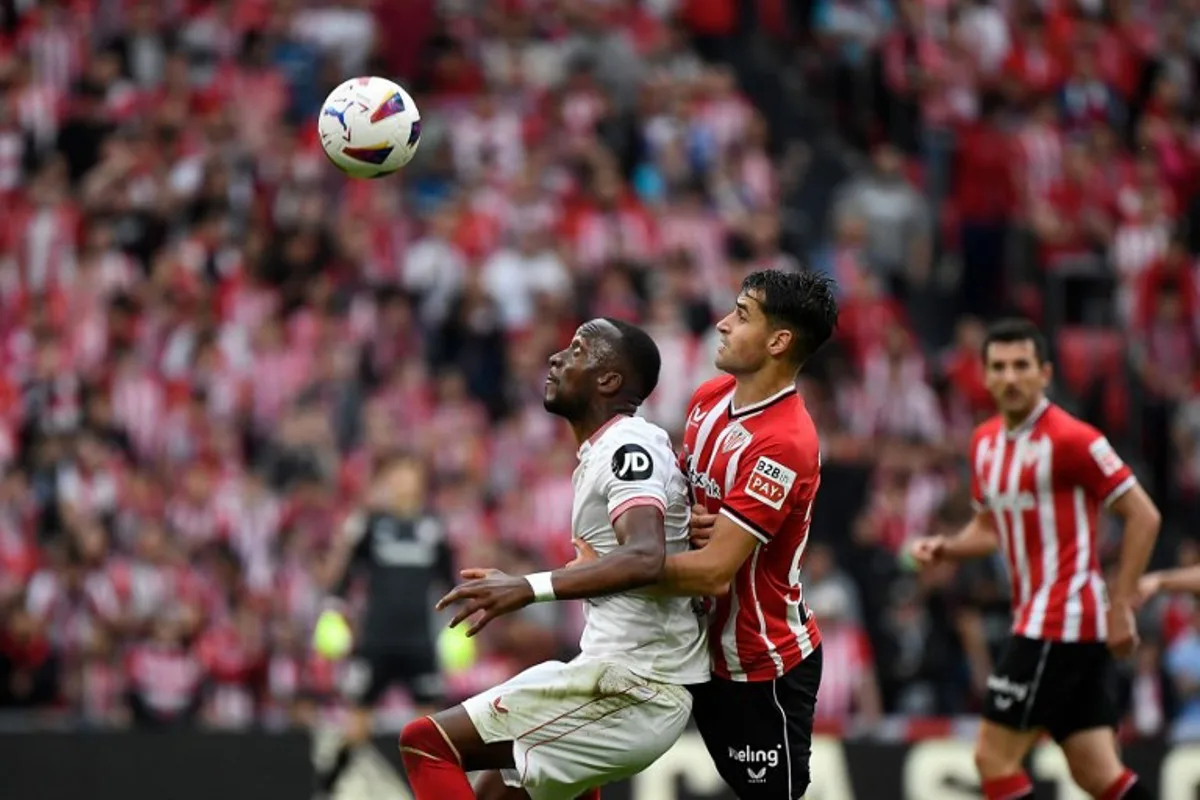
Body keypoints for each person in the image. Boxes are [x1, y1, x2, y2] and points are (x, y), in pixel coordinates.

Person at [399, 318, 708, 800]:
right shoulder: (601, 453)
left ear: (609, 380)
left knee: (426, 743)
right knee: (498, 794)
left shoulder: (628, 444)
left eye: (578, 350)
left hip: (635, 687)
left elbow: (646, 555)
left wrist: (529, 587)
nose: (556, 357)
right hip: (611, 675)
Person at [908, 318, 1162, 800]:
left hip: (1060, 620)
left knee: (992, 759)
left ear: (1044, 373)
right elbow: (989, 527)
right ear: (983, 376)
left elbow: (1144, 516)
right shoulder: (983, 443)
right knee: (1097, 774)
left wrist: (1122, 604)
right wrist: (947, 547)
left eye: (1021, 365)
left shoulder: (1072, 440)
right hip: (1050, 622)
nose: (1010, 377)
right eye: (999, 367)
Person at [313, 455, 454, 800]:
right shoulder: (369, 525)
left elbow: (449, 582)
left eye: (411, 473)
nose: (404, 481)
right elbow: (342, 578)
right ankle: (328, 788)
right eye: (398, 474)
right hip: (376, 641)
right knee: (356, 725)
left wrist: (457, 627)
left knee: (427, 731)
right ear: (387, 481)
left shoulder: (433, 528)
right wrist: (334, 612)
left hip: (420, 643)